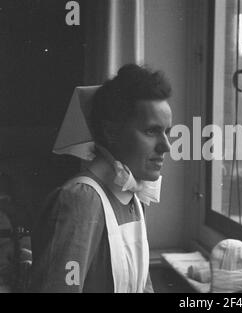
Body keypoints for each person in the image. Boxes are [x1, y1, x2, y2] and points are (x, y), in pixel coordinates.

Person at [30, 64, 173, 293]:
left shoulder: (132, 196)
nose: (166, 146)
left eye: (167, 132)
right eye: (151, 131)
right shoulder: (82, 201)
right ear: (111, 132)